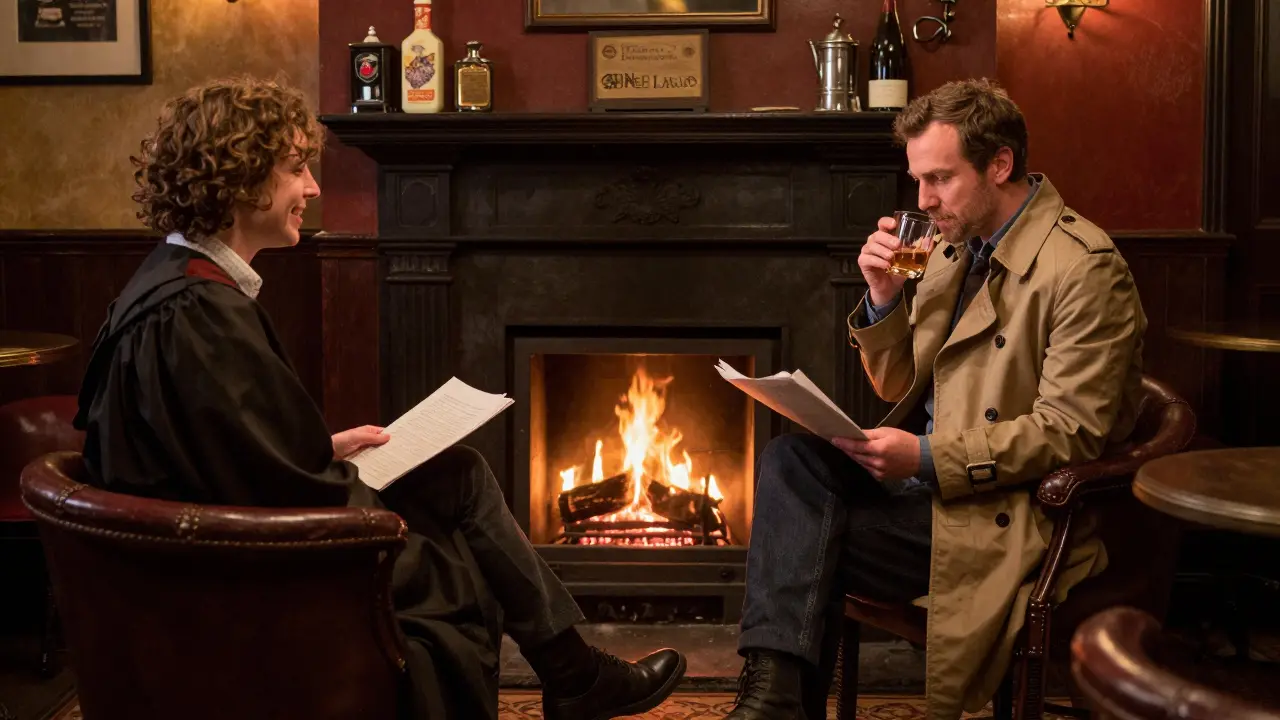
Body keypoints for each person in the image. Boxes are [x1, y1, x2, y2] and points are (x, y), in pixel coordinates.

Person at [73, 76, 686, 720]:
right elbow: (263, 486)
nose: (312, 188)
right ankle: (575, 674)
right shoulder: (199, 313)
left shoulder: (175, 284)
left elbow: (223, 449)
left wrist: (326, 448)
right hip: (240, 567)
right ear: (240, 175)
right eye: (296, 168)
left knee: (457, 474)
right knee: (452, 557)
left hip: (231, 527)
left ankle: (573, 673)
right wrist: (370, 511)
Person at [723, 78, 1147, 720]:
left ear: (1000, 163)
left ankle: (773, 704)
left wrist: (923, 457)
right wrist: (885, 297)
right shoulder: (949, 244)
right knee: (790, 462)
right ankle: (776, 701)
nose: (923, 200)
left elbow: (1069, 433)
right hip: (924, 491)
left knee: (808, 541)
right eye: (918, 180)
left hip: (1003, 509)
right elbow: (901, 384)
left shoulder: (1085, 268)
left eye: (940, 179)